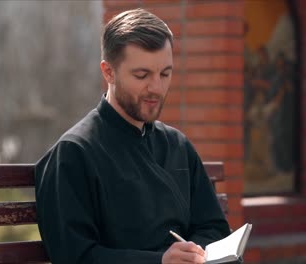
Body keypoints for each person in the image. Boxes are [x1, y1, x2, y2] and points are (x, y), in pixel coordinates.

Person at [34, 8, 231, 264]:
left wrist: (193, 255)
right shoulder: (74, 153)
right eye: (142, 75)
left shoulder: (178, 146)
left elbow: (214, 228)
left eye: (165, 74)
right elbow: (75, 256)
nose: (156, 88)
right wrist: (159, 262)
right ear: (108, 72)